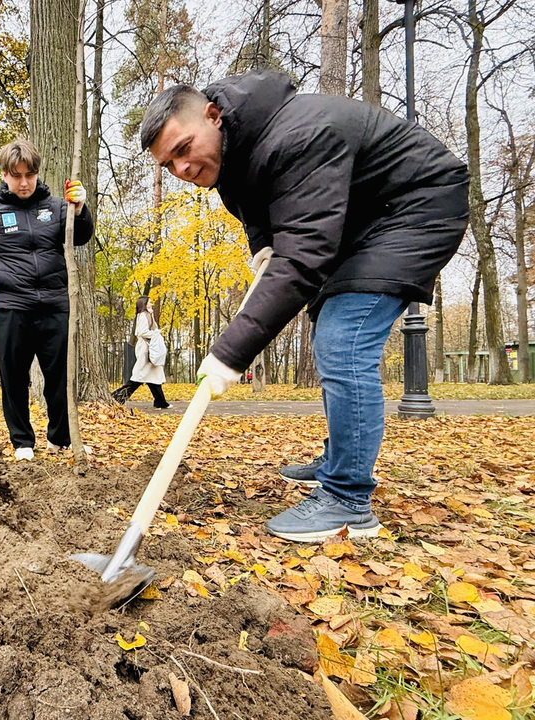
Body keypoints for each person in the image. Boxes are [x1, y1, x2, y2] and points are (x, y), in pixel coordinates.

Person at [140, 71, 468, 541]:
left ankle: (348, 499)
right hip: (361, 217)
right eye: (168, 164)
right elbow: (259, 211)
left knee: (343, 337)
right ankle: (340, 459)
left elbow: (305, 255)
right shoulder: (233, 154)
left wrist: (231, 352)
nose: (182, 170)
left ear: (213, 116)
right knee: (329, 327)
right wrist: (264, 251)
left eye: (184, 149)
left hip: (415, 206)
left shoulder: (297, 135)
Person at [0, 138, 93, 461]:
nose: (23, 183)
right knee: (14, 379)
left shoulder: (56, 207)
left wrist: (80, 208)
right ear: (5, 175)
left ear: (37, 173)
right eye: (16, 175)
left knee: (60, 377)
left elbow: (82, 235)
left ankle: (60, 438)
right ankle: (22, 442)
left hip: (54, 306)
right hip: (12, 308)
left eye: (29, 175)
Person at [112, 296, 172, 409]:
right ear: (144, 304)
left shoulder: (148, 315)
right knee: (140, 376)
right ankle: (117, 397)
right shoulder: (143, 316)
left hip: (147, 348)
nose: (152, 304)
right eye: (150, 302)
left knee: (152, 375)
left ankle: (160, 401)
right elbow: (142, 332)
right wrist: (156, 333)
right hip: (145, 349)